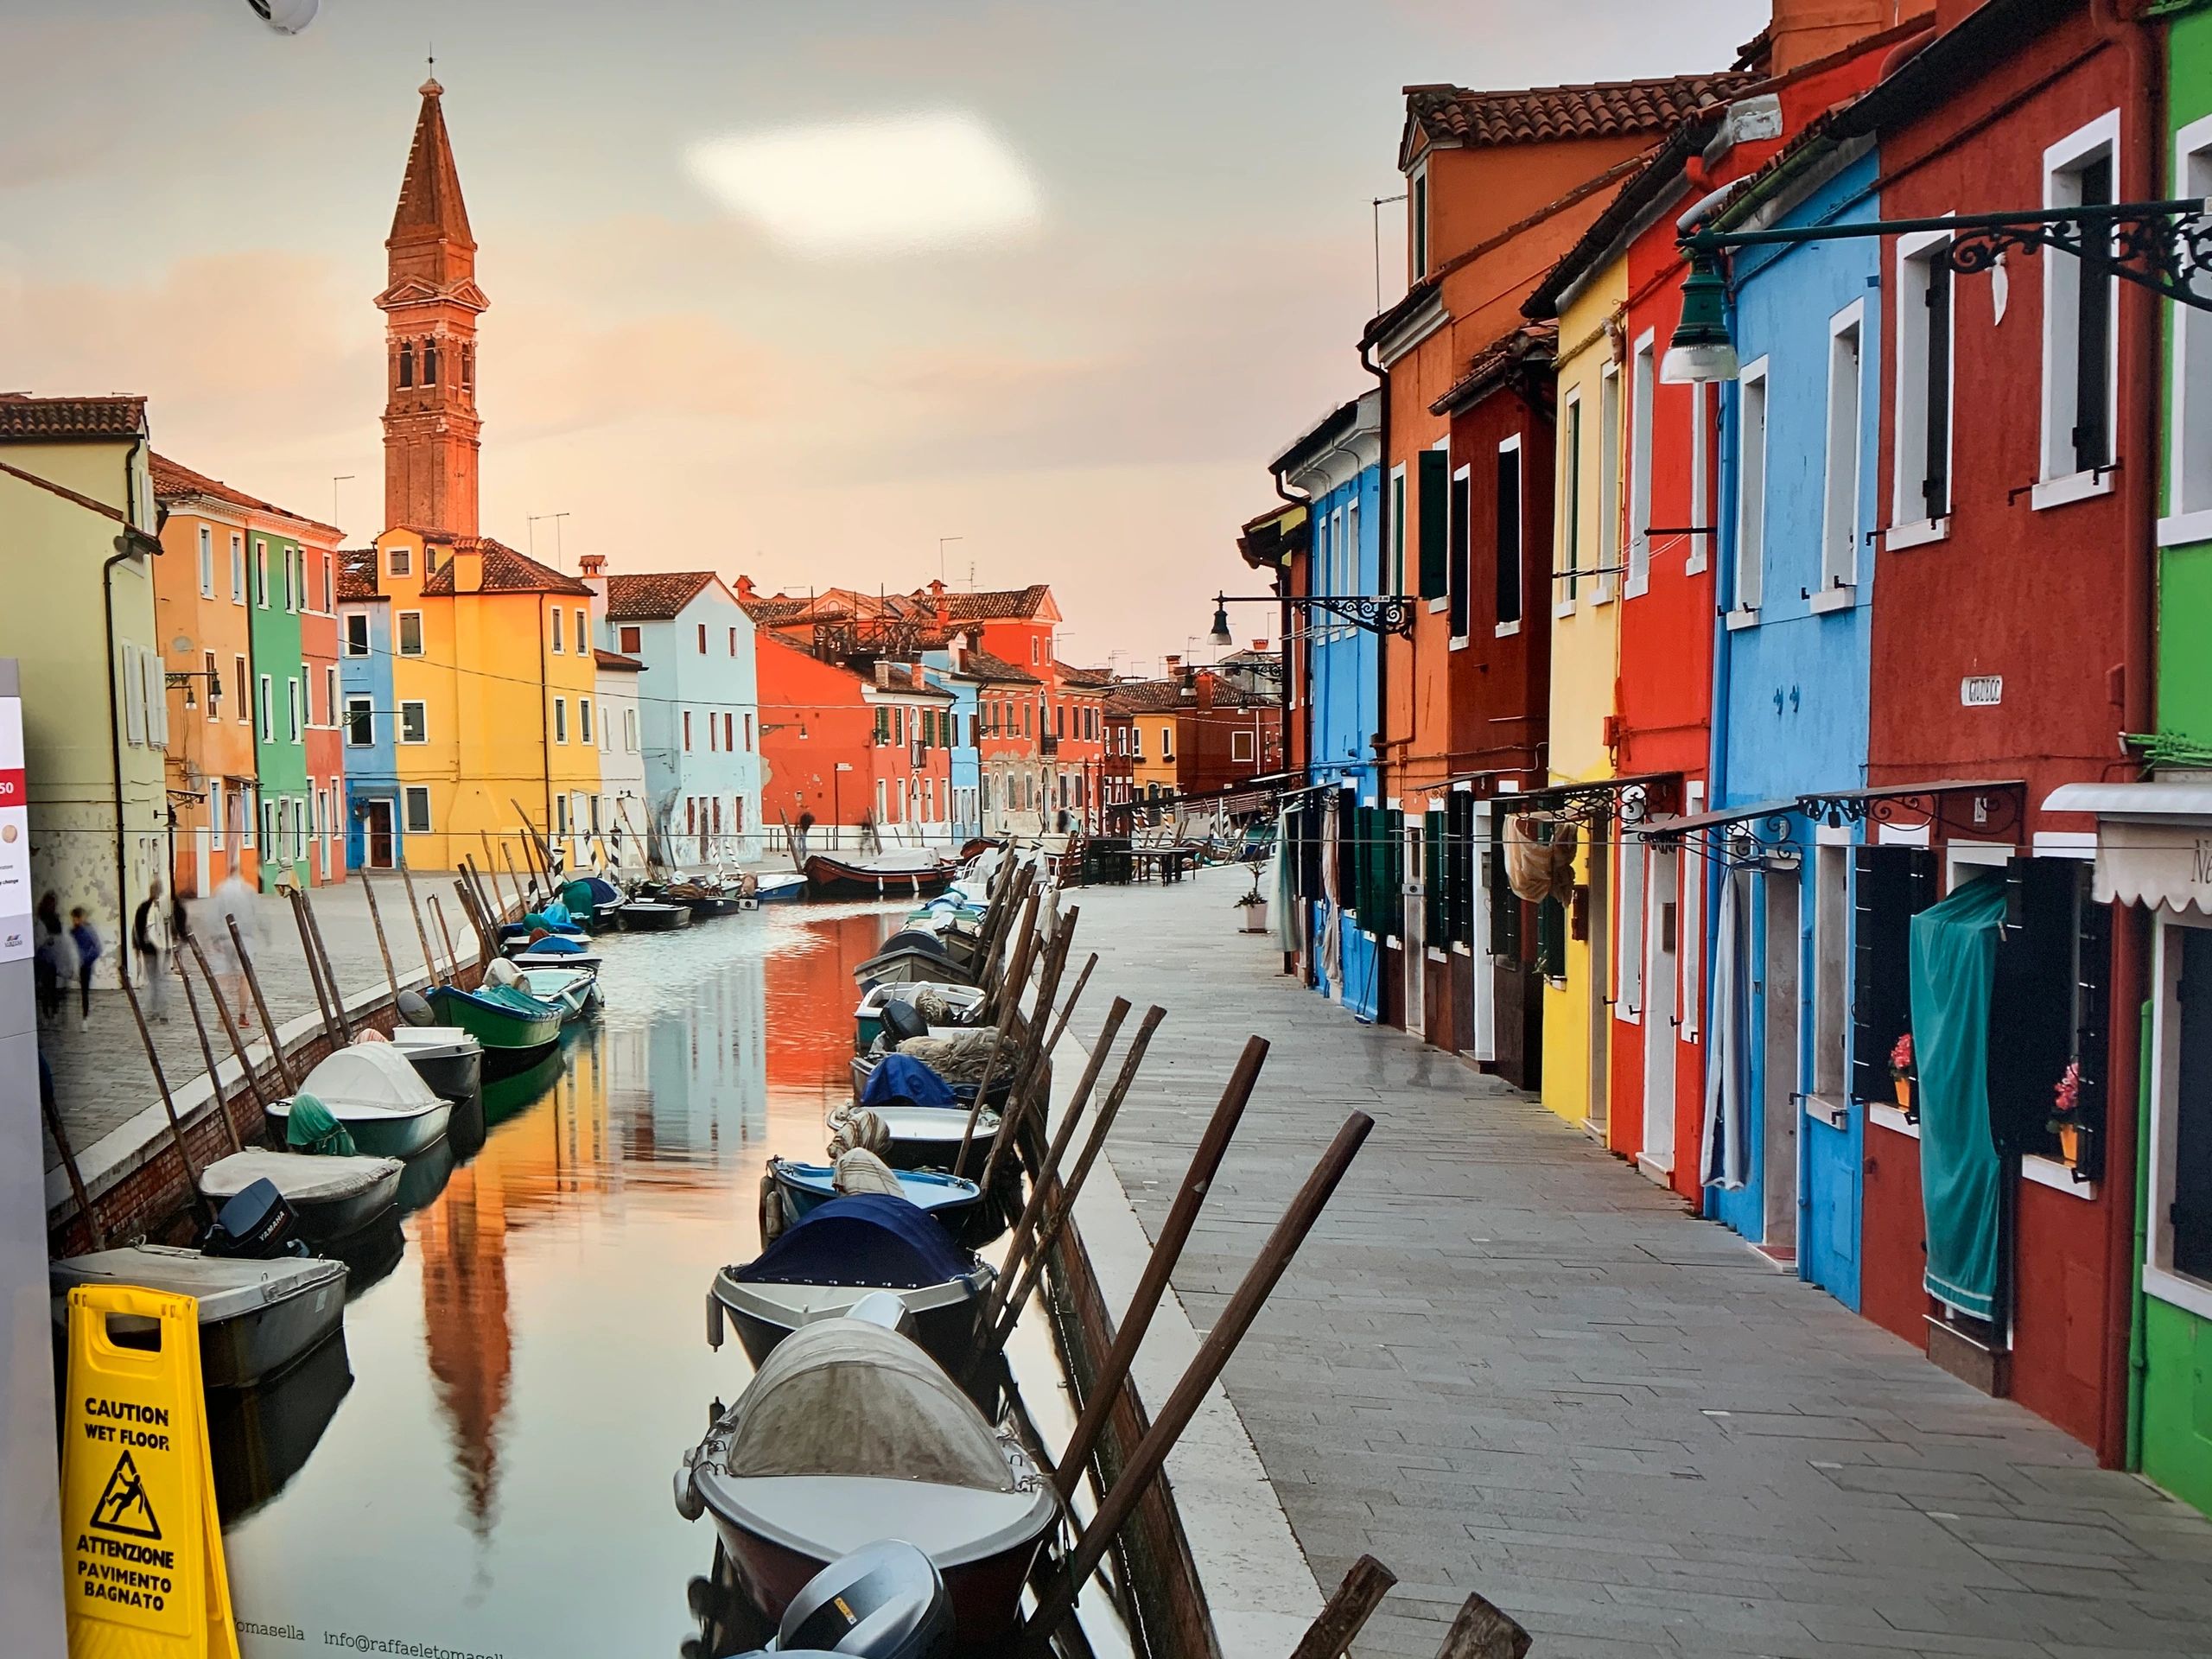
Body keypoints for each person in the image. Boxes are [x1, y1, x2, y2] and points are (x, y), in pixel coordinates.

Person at [210, 868, 259, 1027]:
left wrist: (214, 938)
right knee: (244, 977)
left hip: (224, 938)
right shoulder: (248, 890)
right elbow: (257, 915)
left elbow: (215, 916)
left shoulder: (220, 890)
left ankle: (222, 1015)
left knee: (223, 978)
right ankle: (242, 1016)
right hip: (244, 938)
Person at [131, 879, 169, 1022]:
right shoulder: (160, 907)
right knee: (159, 981)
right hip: (156, 949)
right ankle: (161, 1012)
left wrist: (136, 946)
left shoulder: (144, 907)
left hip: (149, 950)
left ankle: (155, 1011)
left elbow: (135, 929)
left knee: (154, 982)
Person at [68, 906, 101, 1030]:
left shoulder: (88, 931)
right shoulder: (72, 933)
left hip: (85, 965)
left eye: (77, 918)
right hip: (75, 964)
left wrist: (86, 960)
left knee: (84, 992)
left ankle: (85, 1018)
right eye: (73, 919)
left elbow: (97, 949)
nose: (75, 921)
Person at [34, 891, 63, 1027]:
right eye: (51, 903)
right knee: (46, 987)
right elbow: (39, 938)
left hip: (53, 956)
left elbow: (60, 936)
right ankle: (46, 1014)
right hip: (44, 956)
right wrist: (47, 940)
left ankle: (54, 1012)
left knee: (52, 986)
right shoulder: (41, 920)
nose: (53, 906)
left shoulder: (55, 919)